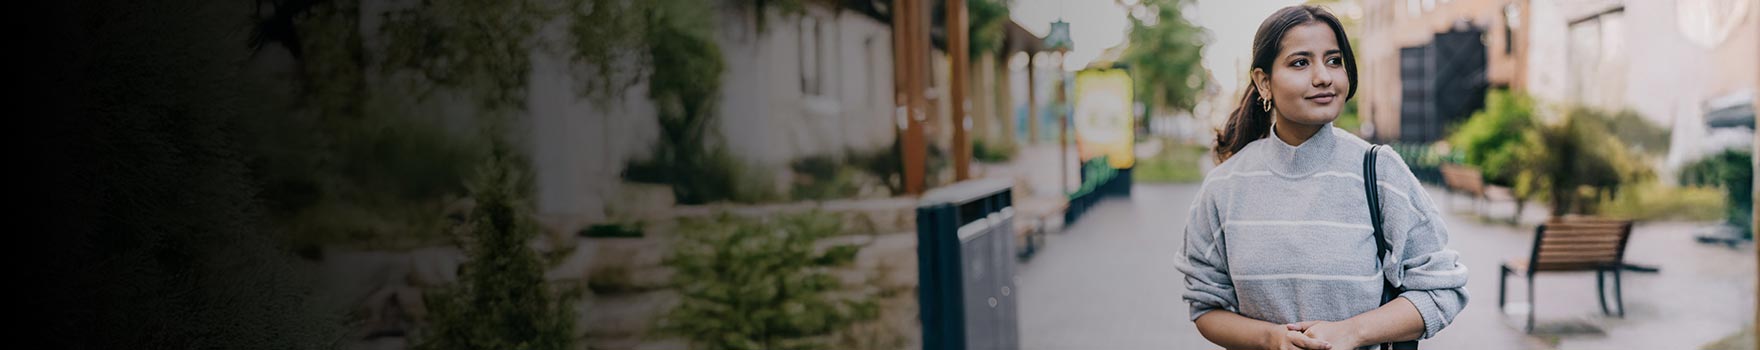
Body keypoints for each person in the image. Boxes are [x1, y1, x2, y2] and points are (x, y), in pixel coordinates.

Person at [1177, 5, 1469, 350]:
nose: (1323, 77)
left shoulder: (1379, 172)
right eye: (1300, 63)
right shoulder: (1224, 187)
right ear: (1263, 82)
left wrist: (1353, 331)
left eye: (1333, 61)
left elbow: (1442, 289)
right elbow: (1205, 306)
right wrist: (1272, 339)